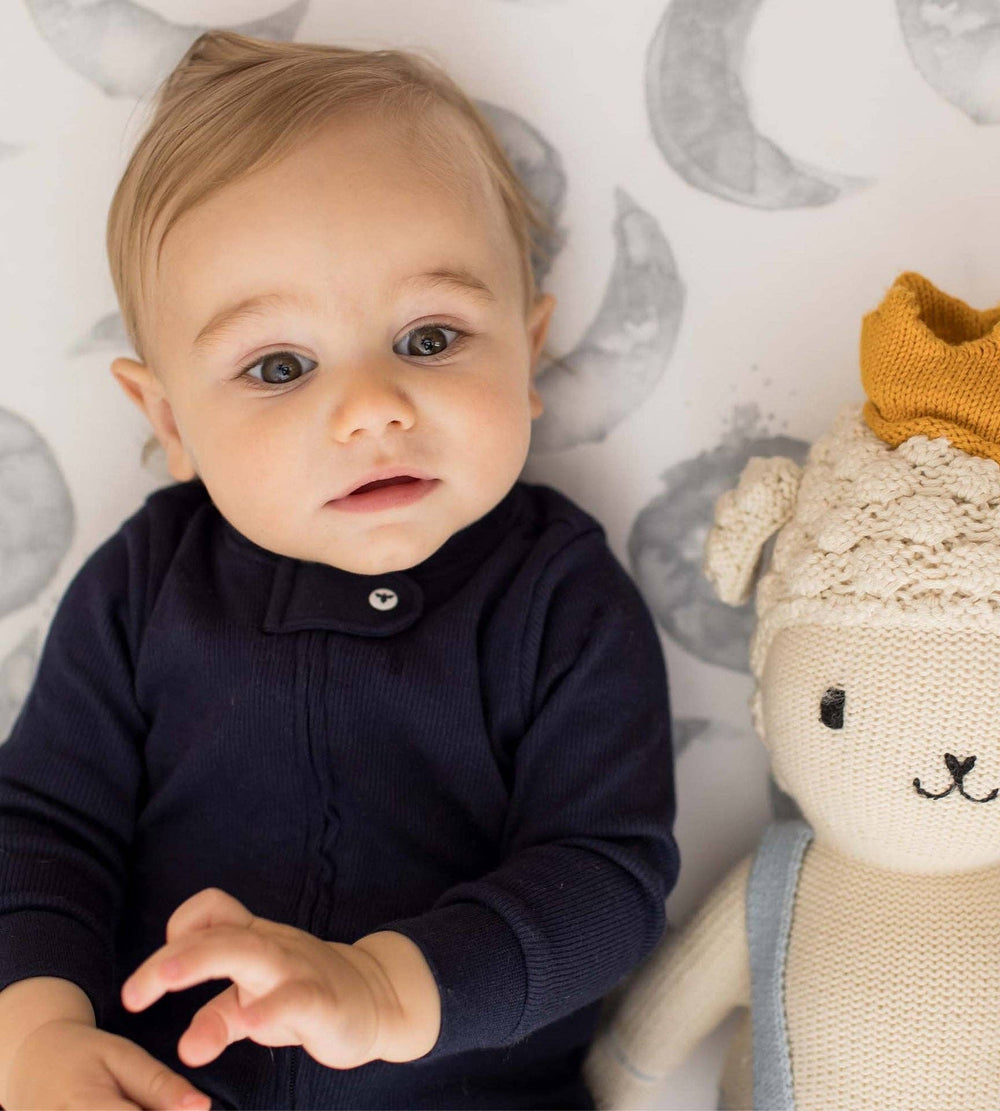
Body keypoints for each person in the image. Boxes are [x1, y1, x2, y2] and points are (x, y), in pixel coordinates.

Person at [0, 30, 677, 1111]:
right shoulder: (146, 589)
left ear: (529, 351)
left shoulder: (558, 599)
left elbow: (605, 881)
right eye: (280, 365)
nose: (370, 408)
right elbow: (38, 831)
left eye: (430, 338)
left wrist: (386, 986)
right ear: (169, 420)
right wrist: (36, 1035)